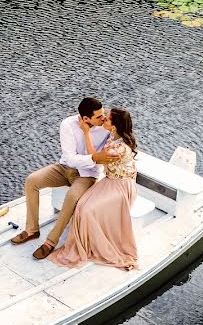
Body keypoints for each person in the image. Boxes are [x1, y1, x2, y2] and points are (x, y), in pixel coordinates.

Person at [10, 97, 120, 260]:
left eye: (103, 114)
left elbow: (118, 143)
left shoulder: (105, 128)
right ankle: (32, 230)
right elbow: (70, 158)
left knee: (72, 196)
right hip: (64, 168)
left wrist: (99, 158)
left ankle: (50, 242)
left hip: (87, 175)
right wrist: (95, 157)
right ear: (85, 118)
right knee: (32, 180)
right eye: (99, 116)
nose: (103, 118)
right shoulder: (68, 125)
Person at [47, 107, 139, 271]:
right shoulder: (113, 136)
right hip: (110, 181)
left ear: (114, 126)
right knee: (81, 205)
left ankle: (95, 244)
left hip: (121, 187)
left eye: (108, 119)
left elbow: (93, 157)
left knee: (87, 209)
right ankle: (87, 239)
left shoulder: (118, 149)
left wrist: (86, 132)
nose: (104, 119)